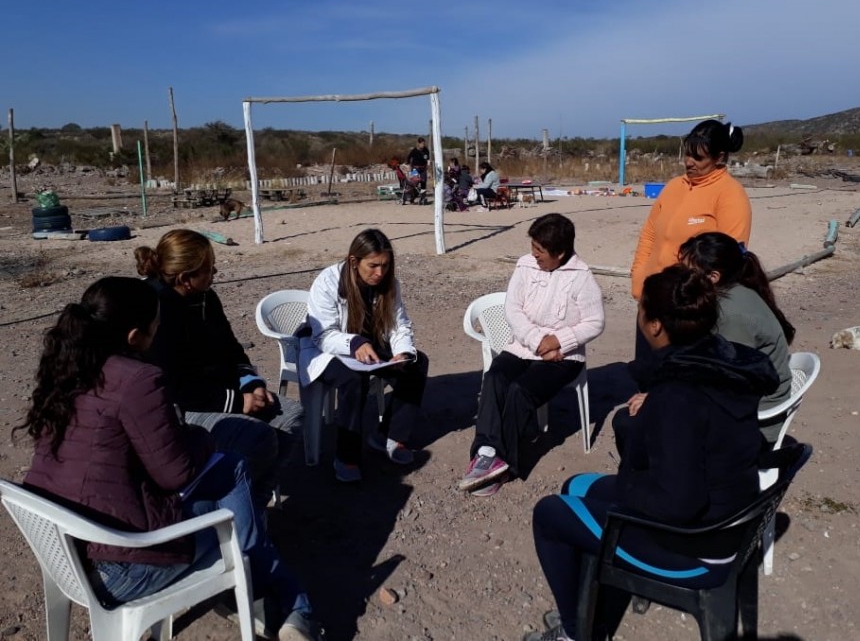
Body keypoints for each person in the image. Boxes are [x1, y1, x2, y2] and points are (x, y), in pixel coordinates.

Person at [14, 277, 320, 640]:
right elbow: (175, 473)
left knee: (229, 487)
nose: (160, 332)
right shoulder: (137, 378)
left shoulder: (65, 368)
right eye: (156, 325)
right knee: (233, 477)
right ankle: (294, 605)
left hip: (65, 551)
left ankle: (271, 597)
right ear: (135, 337)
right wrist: (201, 436)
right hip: (123, 567)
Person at [526, 266, 778, 641]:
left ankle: (579, 632)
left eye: (642, 310)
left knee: (548, 514)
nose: (639, 317)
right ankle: (588, 603)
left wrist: (630, 478)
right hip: (731, 510)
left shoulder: (679, 393)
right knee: (574, 485)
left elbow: (678, 502)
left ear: (656, 325)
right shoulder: (726, 362)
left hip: (700, 542)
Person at [135, 229, 304, 508]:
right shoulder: (157, 311)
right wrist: (239, 403)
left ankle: (253, 504)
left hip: (225, 390)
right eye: (208, 268)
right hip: (184, 408)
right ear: (185, 278)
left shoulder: (206, 299)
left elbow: (231, 346)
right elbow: (175, 387)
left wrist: (252, 384)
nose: (215, 271)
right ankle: (228, 507)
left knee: (292, 415)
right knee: (260, 437)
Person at [459, 214, 605, 497]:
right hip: (523, 346)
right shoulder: (525, 266)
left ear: (560, 253)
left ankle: (504, 466)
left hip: (564, 357)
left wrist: (559, 341)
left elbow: (594, 322)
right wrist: (539, 341)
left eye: (540, 251)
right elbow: (513, 309)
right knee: (496, 377)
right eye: (533, 247)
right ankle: (487, 450)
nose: (534, 254)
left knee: (520, 391)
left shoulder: (581, 277)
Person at [299, 229, 429, 483]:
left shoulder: (389, 284)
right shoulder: (328, 281)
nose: (379, 273)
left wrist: (403, 350)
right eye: (373, 266)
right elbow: (322, 334)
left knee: (415, 363)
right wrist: (353, 343)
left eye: (385, 266)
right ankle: (346, 457)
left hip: (370, 345)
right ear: (353, 261)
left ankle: (389, 436)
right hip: (327, 350)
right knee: (353, 379)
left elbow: (399, 324)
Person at [629, 119, 751, 358]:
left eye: (698, 158)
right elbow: (650, 235)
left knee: (675, 384)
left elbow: (727, 260)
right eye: (686, 155)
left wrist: (692, 303)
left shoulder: (730, 195)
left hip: (686, 313)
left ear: (720, 158)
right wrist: (639, 279)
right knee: (645, 376)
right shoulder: (674, 186)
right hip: (652, 300)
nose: (689, 163)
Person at [679, 231, 796, 443]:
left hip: (752, 426)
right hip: (743, 406)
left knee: (641, 424)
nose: (681, 277)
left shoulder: (733, 315)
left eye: (687, 272)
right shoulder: (735, 292)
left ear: (713, 277)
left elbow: (727, 381)